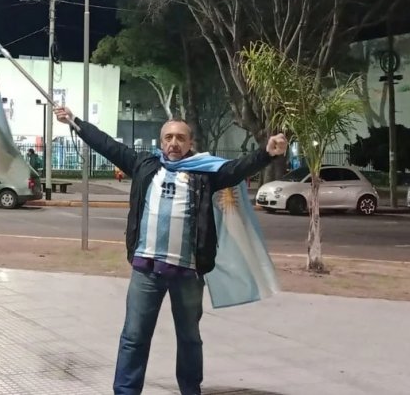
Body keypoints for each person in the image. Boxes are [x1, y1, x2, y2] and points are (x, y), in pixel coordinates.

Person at [54, 106, 287, 395]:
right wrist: (75, 122)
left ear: (190, 144)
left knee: (189, 338)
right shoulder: (144, 165)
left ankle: (190, 390)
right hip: (146, 271)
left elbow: (236, 169)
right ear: (161, 141)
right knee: (134, 337)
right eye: (168, 137)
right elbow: (107, 145)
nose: (173, 143)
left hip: (187, 273)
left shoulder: (205, 172)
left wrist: (267, 153)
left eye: (180, 138)